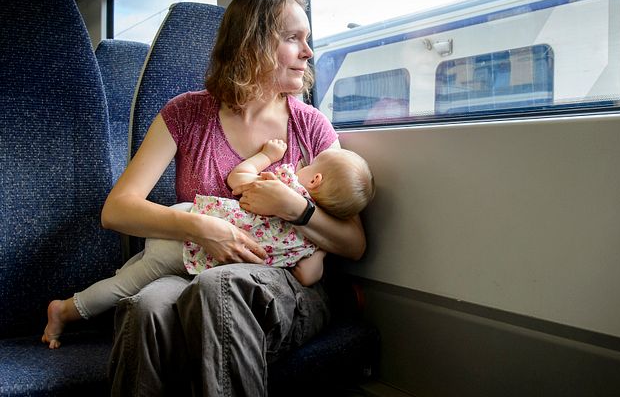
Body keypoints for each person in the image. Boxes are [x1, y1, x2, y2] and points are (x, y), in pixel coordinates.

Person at [90, 0, 366, 396]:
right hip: (194, 265)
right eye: (293, 39)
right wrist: (202, 229)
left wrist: (296, 209)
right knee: (146, 308)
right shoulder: (186, 113)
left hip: (287, 281)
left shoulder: (310, 126)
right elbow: (117, 210)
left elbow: (354, 243)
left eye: (306, 39)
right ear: (251, 44)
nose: (308, 52)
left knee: (218, 289)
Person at [41, 139, 374, 349]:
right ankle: (66, 310)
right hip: (190, 243)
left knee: (134, 274)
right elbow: (307, 277)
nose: (302, 165)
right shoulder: (310, 244)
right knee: (125, 285)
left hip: (187, 215)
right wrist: (322, 245)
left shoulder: (284, 184)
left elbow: (237, 180)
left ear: (314, 179)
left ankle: (85, 299)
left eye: (310, 165)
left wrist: (266, 156)